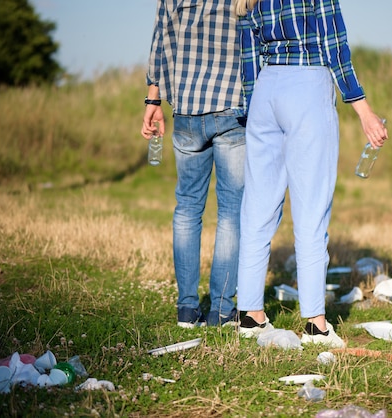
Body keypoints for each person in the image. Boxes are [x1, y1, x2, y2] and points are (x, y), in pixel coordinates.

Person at [235, 0, 388, 347]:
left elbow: (248, 56)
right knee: (311, 207)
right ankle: (316, 326)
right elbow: (335, 44)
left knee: (257, 207)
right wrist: (363, 109)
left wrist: (252, 111)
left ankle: (250, 315)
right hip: (307, 85)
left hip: (265, 89)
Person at [141, 0, 246, 328]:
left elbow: (160, 39)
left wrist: (153, 100)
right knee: (230, 212)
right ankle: (221, 310)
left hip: (186, 107)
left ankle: (187, 308)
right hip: (233, 106)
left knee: (187, 208)